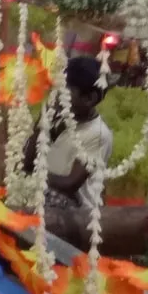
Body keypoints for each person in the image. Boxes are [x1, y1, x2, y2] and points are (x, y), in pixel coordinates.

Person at [42, 56, 115, 214]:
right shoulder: (62, 119)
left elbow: (70, 184)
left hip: (76, 213)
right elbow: (29, 160)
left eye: (65, 93)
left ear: (89, 99)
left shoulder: (99, 134)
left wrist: (37, 175)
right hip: (48, 196)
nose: (59, 97)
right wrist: (43, 121)